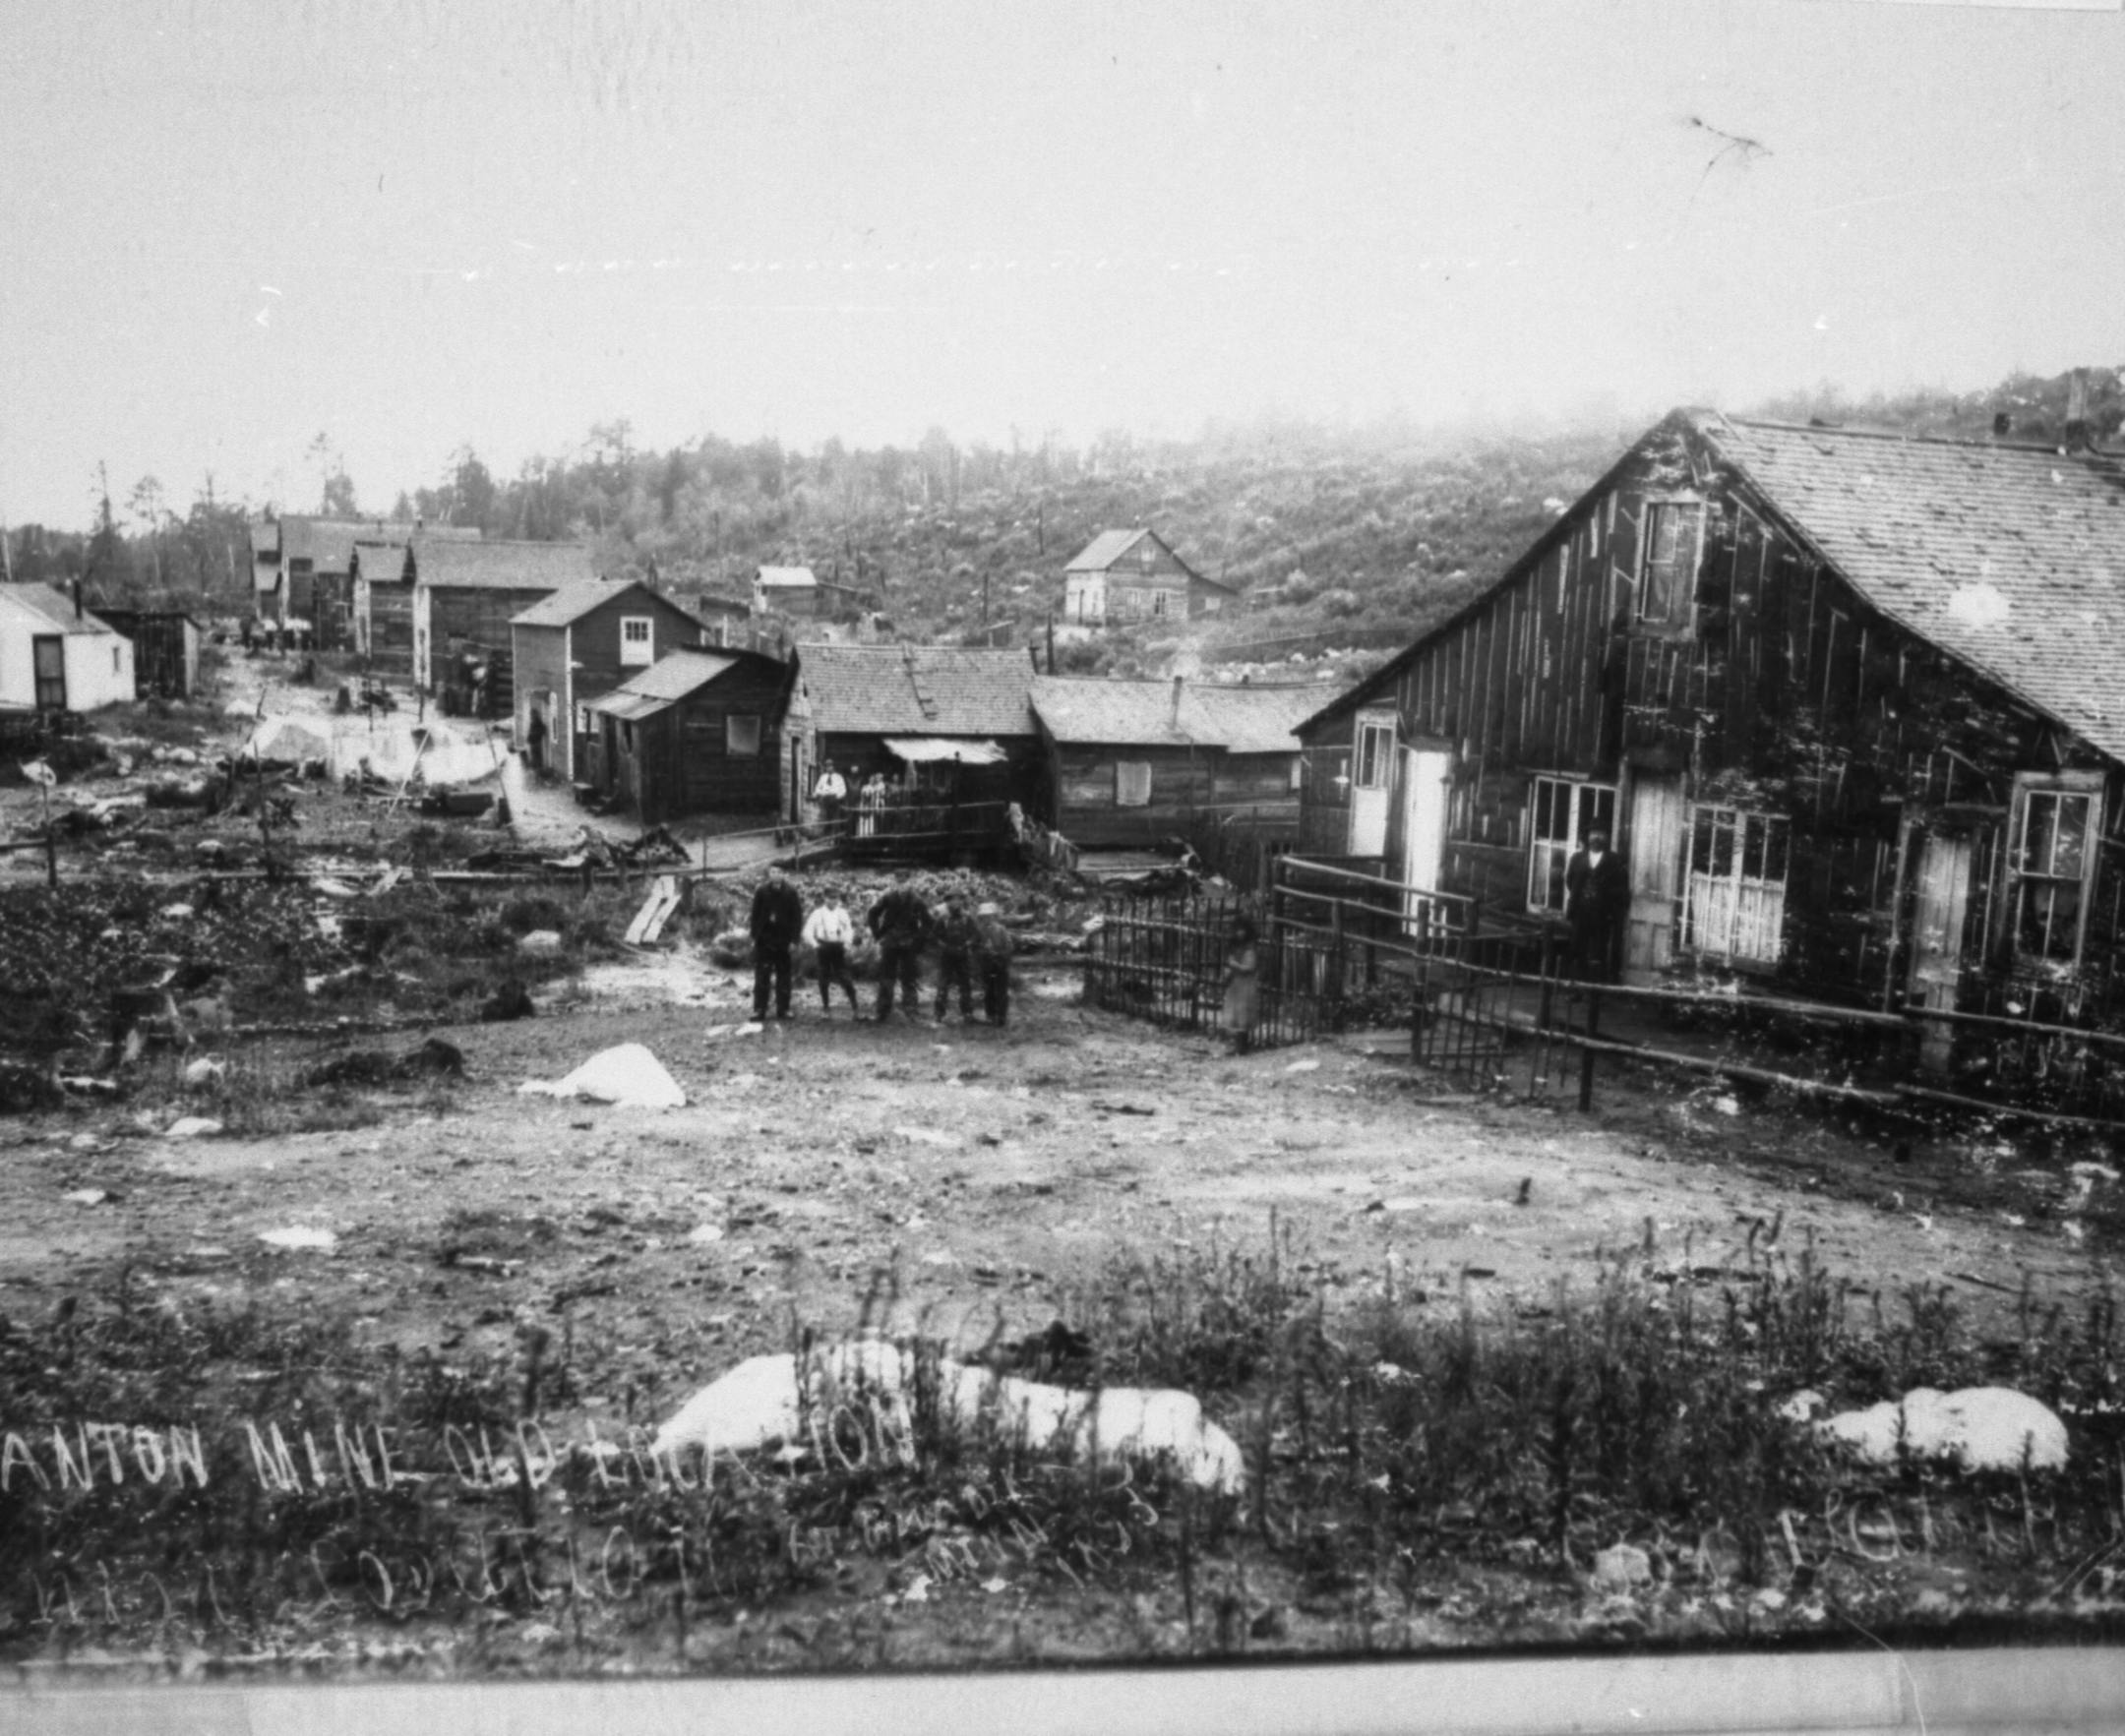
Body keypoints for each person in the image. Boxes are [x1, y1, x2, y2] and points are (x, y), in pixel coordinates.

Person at [1563, 827, 1630, 983]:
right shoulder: (1577, 858)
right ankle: (1578, 987)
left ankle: (1595, 990)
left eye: (1600, 833)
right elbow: (1570, 881)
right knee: (1578, 949)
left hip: (1602, 915)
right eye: (1593, 834)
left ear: (1606, 837)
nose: (1596, 837)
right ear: (1588, 836)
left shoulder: (1614, 860)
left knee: (1598, 952)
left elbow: (1622, 888)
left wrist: (1605, 896)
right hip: (1580, 913)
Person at [867, 868, 934, 1022]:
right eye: (898, 880)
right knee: (886, 977)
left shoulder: (916, 899)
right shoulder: (888, 897)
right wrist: (878, 934)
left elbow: (928, 921)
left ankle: (911, 1011)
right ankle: (883, 1011)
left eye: (904, 880)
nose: (901, 883)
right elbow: (873, 913)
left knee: (909, 977)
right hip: (890, 941)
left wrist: (918, 939)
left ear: (909, 881)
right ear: (894, 881)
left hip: (909, 942)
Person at [749, 862, 805, 1021]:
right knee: (762, 976)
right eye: (773, 872)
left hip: (783, 940)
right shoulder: (761, 891)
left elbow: (797, 917)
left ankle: (783, 1009)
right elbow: (755, 916)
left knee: (784, 976)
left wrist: (794, 940)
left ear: (783, 874)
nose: (776, 875)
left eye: (779, 872)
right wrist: (755, 937)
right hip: (765, 940)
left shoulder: (791, 892)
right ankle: (759, 1009)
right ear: (769, 874)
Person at [802, 885, 862, 1017]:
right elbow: (807, 931)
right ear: (825, 898)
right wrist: (815, 945)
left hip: (838, 948)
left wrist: (847, 944)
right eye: (831, 898)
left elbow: (849, 930)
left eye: (836, 898)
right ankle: (826, 1008)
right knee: (823, 977)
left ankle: (855, 1009)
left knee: (845, 977)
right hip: (823, 947)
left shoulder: (842, 913)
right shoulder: (817, 913)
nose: (834, 901)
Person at [933, 891, 979, 1023]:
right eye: (953, 900)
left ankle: (967, 1013)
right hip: (947, 955)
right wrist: (943, 945)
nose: (956, 902)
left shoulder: (967, 917)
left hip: (962, 954)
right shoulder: (943, 918)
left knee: (965, 984)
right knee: (943, 984)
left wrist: (968, 943)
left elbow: (975, 934)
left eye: (959, 899)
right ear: (948, 902)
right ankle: (939, 1013)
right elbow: (934, 935)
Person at [1220, 913, 1260, 1054]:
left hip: (1245, 985)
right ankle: (1236, 1046)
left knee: (1243, 1015)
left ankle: (1242, 1047)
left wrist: (1234, 965)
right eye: (1238, 930)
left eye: (1242, 930)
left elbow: (1250, 967)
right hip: (1235, 985)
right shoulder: (1234, 946)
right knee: (1234, 1016)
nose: (1240, 933)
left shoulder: (1250, 948)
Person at [974, 900, 1014, 1027]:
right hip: (986, 964)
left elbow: (1009, 947)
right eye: (984, 917)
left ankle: (1001, 1016)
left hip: (1000, 964)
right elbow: (975, 947)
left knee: (1002, 991)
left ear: (994, 916)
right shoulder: (979, 931)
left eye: (990, 916)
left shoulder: (1001, 930)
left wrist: (998, 954)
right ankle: (990, 1015)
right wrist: (983, 952)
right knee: (988, 991)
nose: (987, 919)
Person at [812, 761, 847, 829]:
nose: (829, 768)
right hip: (825, 799)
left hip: (835, 799)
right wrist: (817, 794)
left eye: (830, 766)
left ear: (833, 767)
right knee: (825, 817)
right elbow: (818, 788)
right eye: (827, 766)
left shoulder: (838, 777)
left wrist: (837, 797)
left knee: (835, 818)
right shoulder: (823, 777)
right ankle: (826, 832)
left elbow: (843, 790)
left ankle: (834, 833)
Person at [857, 772, 886, 839]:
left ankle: (873, 835)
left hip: (875, 806)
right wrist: (862, 805)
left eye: (873, 779)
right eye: (871, 779)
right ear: (868, 779)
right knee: (864, 820)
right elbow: (862, 797)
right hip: (866, 806)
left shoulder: (877, 787)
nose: (872, 780)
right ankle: (862, 835)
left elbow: (881, 795)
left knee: (874, 822)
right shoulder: (865, 787)